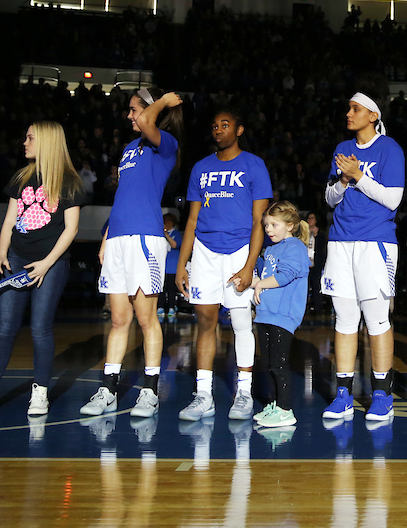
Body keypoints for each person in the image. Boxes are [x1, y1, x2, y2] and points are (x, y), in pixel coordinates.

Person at [0, 121, 85, 418]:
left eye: (30, 138)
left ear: (46, 142)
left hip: (51, 262)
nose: (24, 142)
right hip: (16, 259)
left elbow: (71, 230)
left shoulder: (68, 181)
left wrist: (47, 263)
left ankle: (40, 393)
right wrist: (1, 253)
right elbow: (9, 221)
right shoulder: (21, 177)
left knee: (40, 328)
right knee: (5, 327)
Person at [81, 88, 184, 418]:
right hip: (118, 241)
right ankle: (108, 389)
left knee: (145, 318)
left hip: (145, 239)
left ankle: (150, 391)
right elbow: (122, 197)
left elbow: (145, 118)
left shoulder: (165, 144)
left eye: (134, 109)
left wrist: (165, 101)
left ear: (150, 111)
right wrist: (105, 239)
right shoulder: (128, 148)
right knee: (119, 319)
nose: (130, 116)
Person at [176, 107, 272, 422]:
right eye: (215, 125)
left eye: (225, 124)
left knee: (242, 322)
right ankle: (204, 394)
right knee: (205, 321)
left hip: (239, 251)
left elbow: (260, 220)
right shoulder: (200, 168)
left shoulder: (255, 166)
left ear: (239, 130)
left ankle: (243, 392)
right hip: (204, 251)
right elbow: (190, 220)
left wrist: (249, 265)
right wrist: (182, 264)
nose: (218, 130)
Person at [321, 81, 406, 423]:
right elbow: (329, 199)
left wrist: (356, 175)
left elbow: (393, 200)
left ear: (373, 115)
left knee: (377, 320)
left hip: (376, 243)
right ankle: (343, 395)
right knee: (343, 320)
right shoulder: (342, 146)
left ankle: (382, 395)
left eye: (355, 109)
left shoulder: (390, 149)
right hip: (340, 241)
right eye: (349, 108)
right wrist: (342, 182)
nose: (348, 113)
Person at [251, 200, 311, 428]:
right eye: (266, 225)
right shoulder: (271, 250)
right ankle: (274, 404)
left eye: (274, 225)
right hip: (265, 314)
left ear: (290, 225)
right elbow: (265, 274)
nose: (268, 230)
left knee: (279, 364)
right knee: (267, 364)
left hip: (282, 316)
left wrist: (259, 285)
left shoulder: (294, 247)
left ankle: (286, 410)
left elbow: (286, 275)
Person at [159, 213, 181, 318]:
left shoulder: (176, 233)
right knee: (161, 288)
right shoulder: (159, 234)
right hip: (161, 266)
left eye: (168, 221)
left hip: (172, 266)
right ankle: (160, 307)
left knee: (171, 288)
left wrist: (167, 235)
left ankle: (172, 307)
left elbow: (175, 245)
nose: (166, 224)